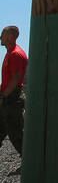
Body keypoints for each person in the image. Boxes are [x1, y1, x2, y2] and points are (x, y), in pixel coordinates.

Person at [0, 25, 27, 156]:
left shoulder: (15, 54)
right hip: (8, 96)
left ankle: (30, 162)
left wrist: (3, 95)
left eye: (3, 34)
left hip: (12, 97)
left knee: (15, 132)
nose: (1, 37)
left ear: (10, 37)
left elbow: (16, 78)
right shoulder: (10, 52)